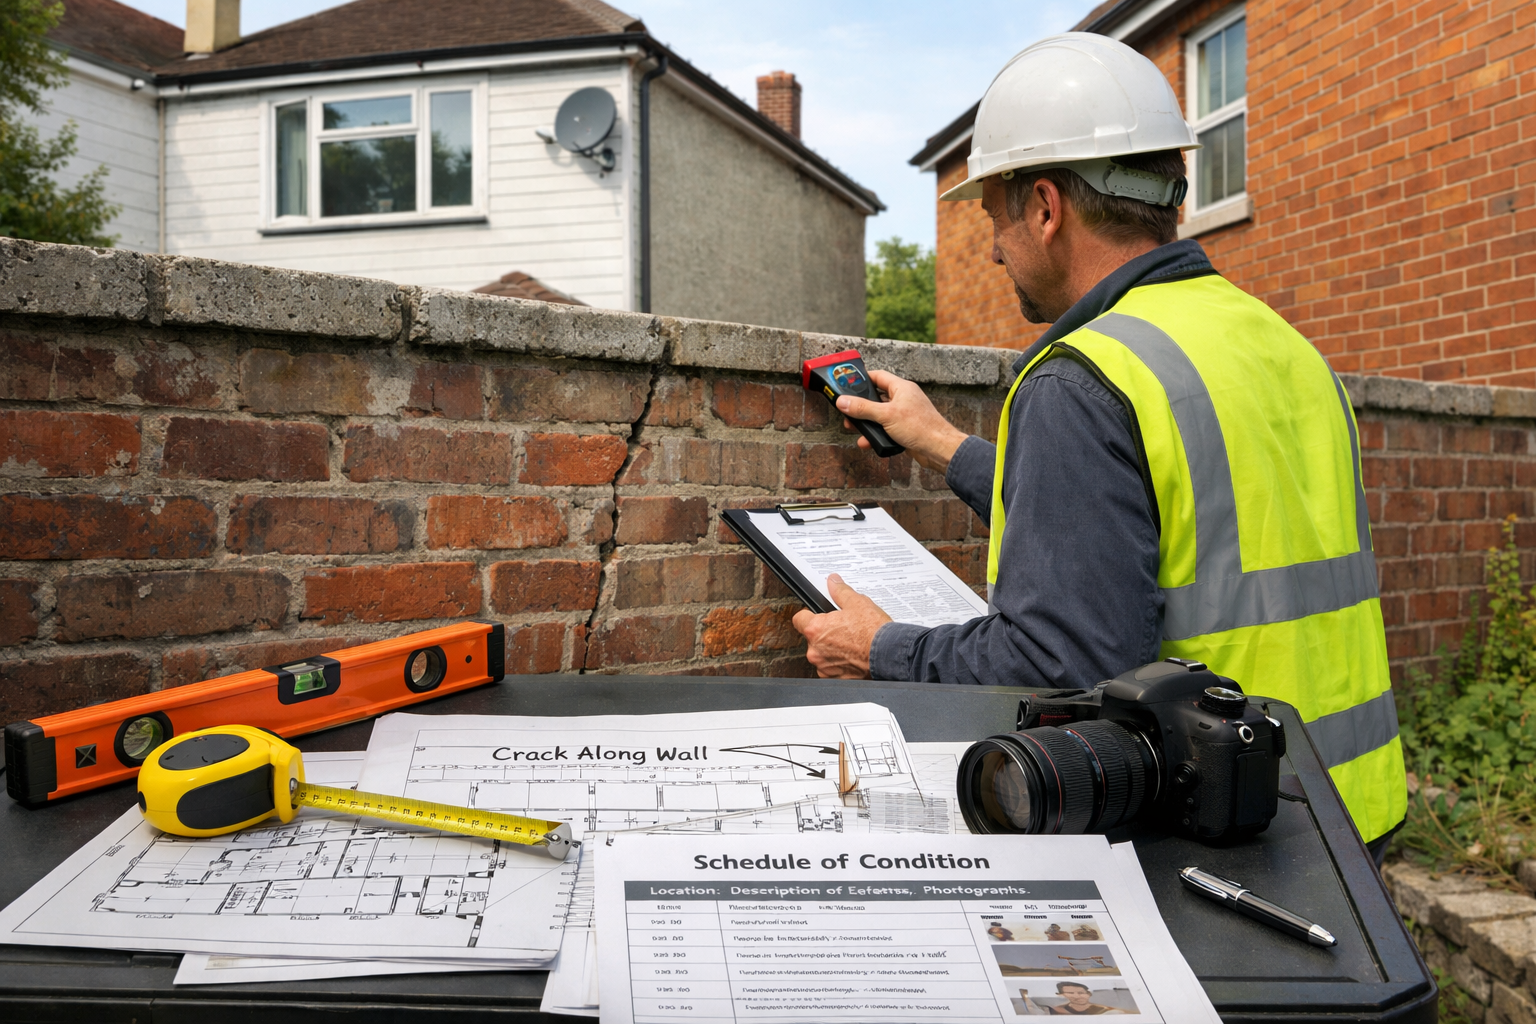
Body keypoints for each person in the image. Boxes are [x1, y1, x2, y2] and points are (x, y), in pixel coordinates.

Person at [790, 32, 1406, 855]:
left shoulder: (1082, 378)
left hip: (1222, 829)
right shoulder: (1283, 347)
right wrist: (939, 442)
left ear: (1046, 208)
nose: (994, 248)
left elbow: (1059, 662)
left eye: (995, 218)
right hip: (1347, 811)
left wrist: (881, 649)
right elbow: (1165, 519)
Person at [1048, 982, 1126, 1015]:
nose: (1077, 996)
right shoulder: (1053, 1011)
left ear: (1088, 994)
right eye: (1070, 993)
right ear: (1062, 995)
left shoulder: (1107, 1011)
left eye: (1081, 993)